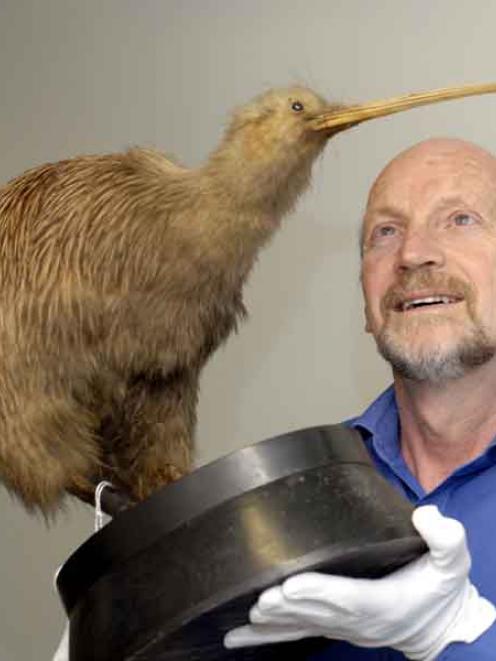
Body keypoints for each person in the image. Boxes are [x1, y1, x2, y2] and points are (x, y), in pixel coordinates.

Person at [223, 137, 496, 659]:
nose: (413, 253)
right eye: (385, 232)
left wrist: (456, 634)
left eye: (459, 219)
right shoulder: (294, 497)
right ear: (367, 306)